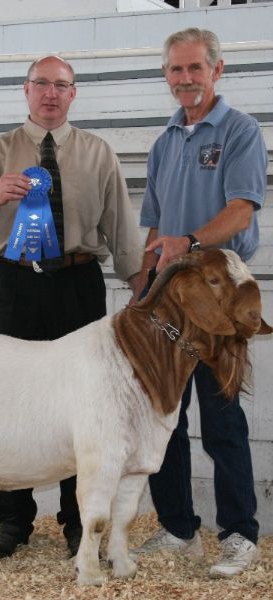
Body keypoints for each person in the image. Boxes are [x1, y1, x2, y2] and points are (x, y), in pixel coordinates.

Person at [0, 55, 142, 559]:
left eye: (61, 85)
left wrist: (143, 289)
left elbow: (122, 231)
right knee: (10, 399)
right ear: (26, 89)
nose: (51, 93)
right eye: (42, 83)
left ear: (74, 93)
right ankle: (13, 522)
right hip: (14, 285)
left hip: (78, 284)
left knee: (85, 403)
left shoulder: (98, 152)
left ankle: (78, 523)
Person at [129, 28, 268, 578]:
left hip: (216, 295)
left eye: (194, 69)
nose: (184, 79)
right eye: (175, 70)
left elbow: (241, 211)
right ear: (166, 75)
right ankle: (179, 529)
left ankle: (240, 534)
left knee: (222, 417)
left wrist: (190, 243)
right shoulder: (165, 142)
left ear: (217, 70)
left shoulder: (240, 130)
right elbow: (156, 227)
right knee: (164, 414)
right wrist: (141, 293)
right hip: (168, 299)